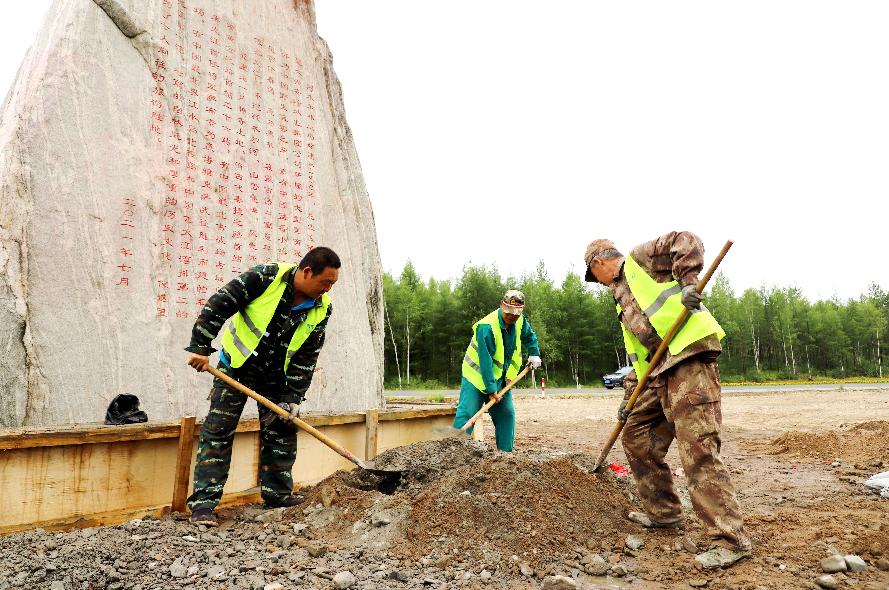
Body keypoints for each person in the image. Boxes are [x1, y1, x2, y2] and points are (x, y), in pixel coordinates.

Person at [583, 232, 751, 568]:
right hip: (659, 374)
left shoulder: (637, 260)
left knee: (697, 449)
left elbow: (684, 240)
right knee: (636, 436)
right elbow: (640, 359)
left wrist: (689, 284)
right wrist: (630, 399)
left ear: (599, 263)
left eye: (594, 276)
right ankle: (664, 513)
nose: (597, 283)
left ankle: (729, 540)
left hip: (688, 360)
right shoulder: (621, 300)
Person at [183, 247, 340, 526]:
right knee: (218, 431)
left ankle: (278, 494)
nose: (327, 289)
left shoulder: (322, 308)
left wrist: (293, 396)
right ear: (306, 272)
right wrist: (200, 347)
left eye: (332, 284)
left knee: (282, 428)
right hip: (237, 365)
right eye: (325, 282)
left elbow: (307, 356)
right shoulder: (266, 277)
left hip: (276, 377)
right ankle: (204, 505)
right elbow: (220, 303)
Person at [453, 290, 542, 452]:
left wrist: (534, 353)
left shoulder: (520, 321)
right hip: (476, 377)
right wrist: (491, 390)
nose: (512, 316)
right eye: (509, 312)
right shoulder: (486, 328)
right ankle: (454, 453)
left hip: (500, 379)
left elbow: (530, 337)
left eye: (516, 313)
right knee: (467, 413)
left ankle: (506, 457)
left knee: (506, 414)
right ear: (502, 305)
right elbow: (485, 362)